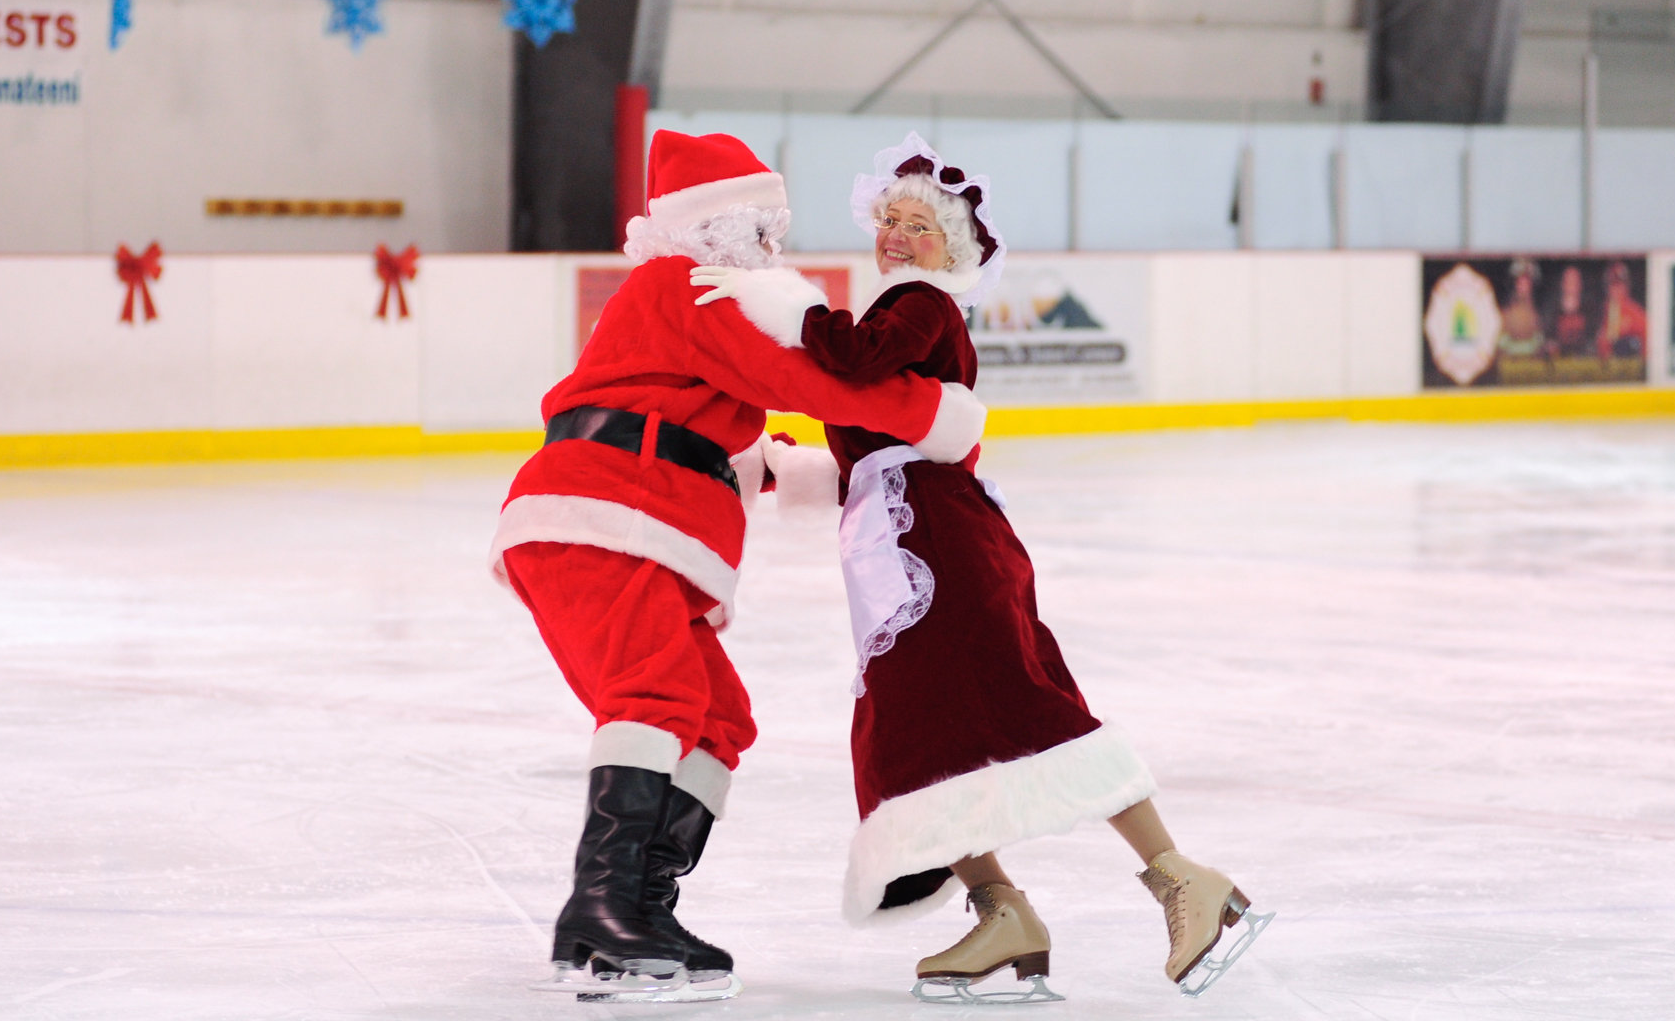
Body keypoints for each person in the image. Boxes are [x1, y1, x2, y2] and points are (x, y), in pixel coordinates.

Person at [691, 133, 1269, 1003]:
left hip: (943, 546)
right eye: (889, 218)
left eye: (919, 223)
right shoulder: (900, 308)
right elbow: (864, 425)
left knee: (1021, 706)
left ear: (950, 248)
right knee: (915, 733)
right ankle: (1001, 908)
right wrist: (787, 464)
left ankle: (1181, 876)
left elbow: (844, 359)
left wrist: (777, 300)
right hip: (901, 546)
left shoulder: (923, 303)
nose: (897, 234)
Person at [495, 130, 987, 1002]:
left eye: (774, 231)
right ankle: (602, 914)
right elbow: (810, 381)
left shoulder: (697, 302)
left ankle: (644, 903)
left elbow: (740, 431)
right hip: (604, 516)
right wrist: (940, 416)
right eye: (759, 229)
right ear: (714, 228)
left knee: (719, 716)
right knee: (655, 697)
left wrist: (829, 473)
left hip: (641, 520)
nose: (772, 249)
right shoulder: (683, 284)